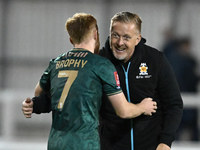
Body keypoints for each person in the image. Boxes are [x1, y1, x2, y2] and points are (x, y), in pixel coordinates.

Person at [22, 12, 183, 150]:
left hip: (150, 146)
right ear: (108, 33)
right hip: (109, 146)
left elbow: (174, 104)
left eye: (127, 37)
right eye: (116, 35)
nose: (120, 42)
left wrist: (165, 141)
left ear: (138, 39)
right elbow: (69, 96)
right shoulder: (98, 61)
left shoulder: (155, 60)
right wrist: (36, 105)